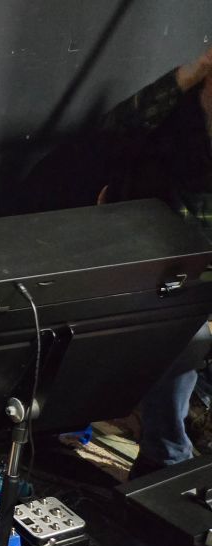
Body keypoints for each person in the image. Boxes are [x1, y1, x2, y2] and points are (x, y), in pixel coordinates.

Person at [96, 45, 212, 477]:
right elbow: (115, 128)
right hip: (157, 271)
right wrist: (191, 73)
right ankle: (165, 459)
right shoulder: (173, 114)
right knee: (185, 333)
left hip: (203, 276)